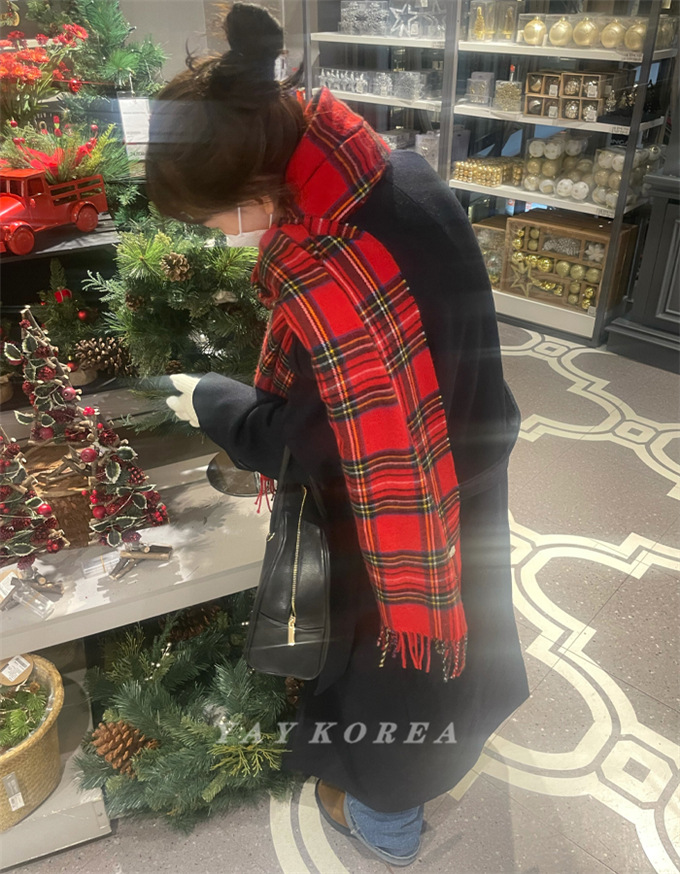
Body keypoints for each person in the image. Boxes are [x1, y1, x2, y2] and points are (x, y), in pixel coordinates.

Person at [146, 3, 529, 866]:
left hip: (398, 507)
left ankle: (386, 823)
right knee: (452, 633)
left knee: (389, 660)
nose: (217, 237)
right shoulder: (382, 169)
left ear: (252, 190)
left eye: (210, 220)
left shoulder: (337, 264)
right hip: (461, 461)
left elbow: (314, 445)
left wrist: (214, 402)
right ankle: (414, 776)